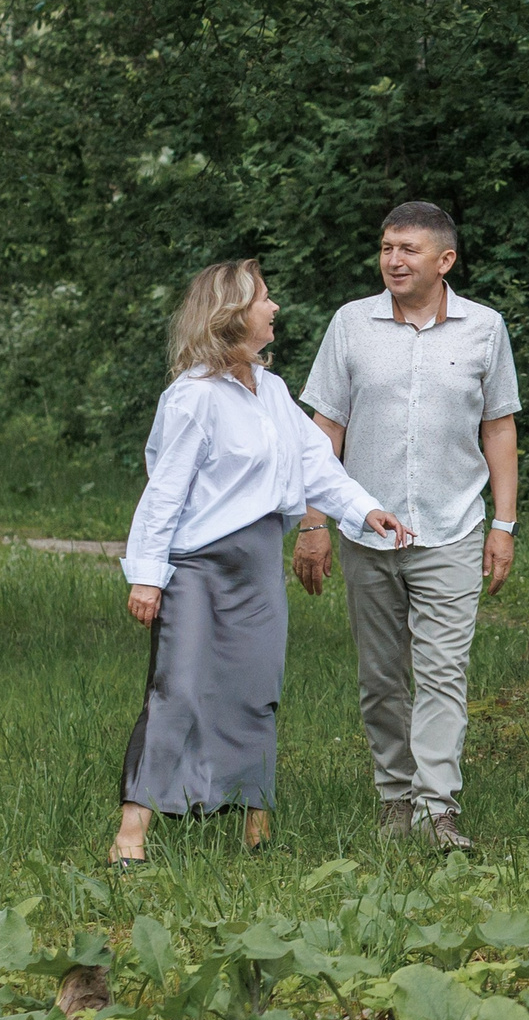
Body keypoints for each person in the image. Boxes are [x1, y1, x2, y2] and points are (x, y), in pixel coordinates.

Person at [110, 260, 413, 869]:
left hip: (256, 568)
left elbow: (316, 468)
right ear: (231, 315)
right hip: (197, 568)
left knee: (255, 693)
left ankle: (256, 827)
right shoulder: (193, 397)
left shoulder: (272, 392)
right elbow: (164, 491)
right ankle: (131, 835)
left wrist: (364, 509)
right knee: (179, 690)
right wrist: (147, 573)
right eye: (264, 299)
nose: (274, 308)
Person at [294, 202, 522, 852]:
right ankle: (395, 795)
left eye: (409, 250)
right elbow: (325, 430)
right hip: (367, 532)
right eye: (387, 247)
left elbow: (499, 427)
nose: (394, 260)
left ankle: (436, 809)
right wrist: (313, 520)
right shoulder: (350, 325)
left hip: (452, 527)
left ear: (445, 260)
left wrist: (503, 524)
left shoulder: (485, 328)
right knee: (381, 677)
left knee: (444, 671)